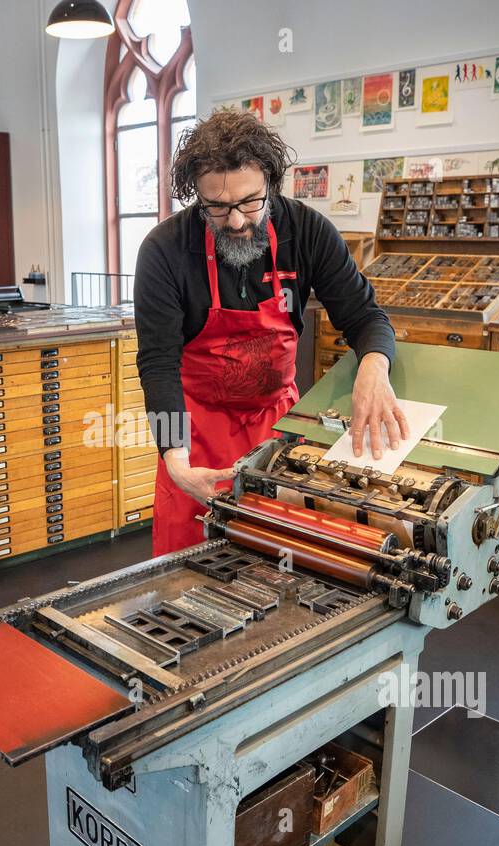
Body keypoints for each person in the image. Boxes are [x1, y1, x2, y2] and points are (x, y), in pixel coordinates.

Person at [133, 109, 408, 556]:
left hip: (276, 428)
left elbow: (366, 317)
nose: (237, 221)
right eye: (217, 208)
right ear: (196, 196)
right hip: (195, 434)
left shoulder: (308, 231)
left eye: (250, 202)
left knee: (281, 558)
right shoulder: (165, 250)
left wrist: (374, 370)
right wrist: (176, 461)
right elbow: (158, 364)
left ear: (271, 183)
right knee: (187, 567)